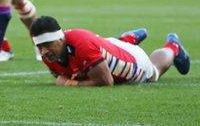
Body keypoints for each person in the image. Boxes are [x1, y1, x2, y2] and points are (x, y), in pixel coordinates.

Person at [30, 16, 191, 87]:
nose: (43, 51)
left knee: (154, 72)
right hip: (107, 46)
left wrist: (72, 83)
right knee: (102, 50)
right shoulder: (49, 53)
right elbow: (63, 74)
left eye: (47, 45)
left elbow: (106, 81)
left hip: (133, 61)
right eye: (40, 46)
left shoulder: (82, 43)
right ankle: (127, 40)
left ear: (60, 39)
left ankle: (172, 47)